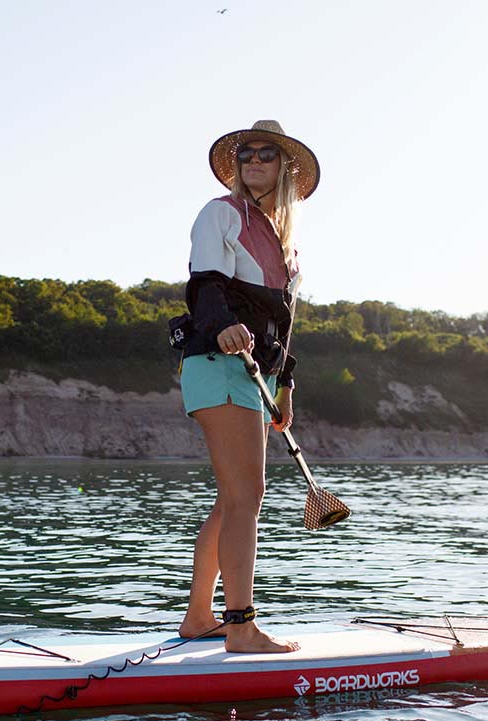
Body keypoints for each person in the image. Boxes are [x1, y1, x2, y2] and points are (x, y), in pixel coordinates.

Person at [177, 120, 320, 654]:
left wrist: (287, 387)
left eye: (266, 154)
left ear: (284, 167)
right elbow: (205, 283)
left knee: (231, 500)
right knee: (247, 498)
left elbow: (282, 326)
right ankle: (240, 627)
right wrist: (220, 324)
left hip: (258, 375)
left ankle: (198, 619)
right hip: (218, 361)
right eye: (247, 154)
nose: (254, 160)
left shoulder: (286, 244)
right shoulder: (220, 213)